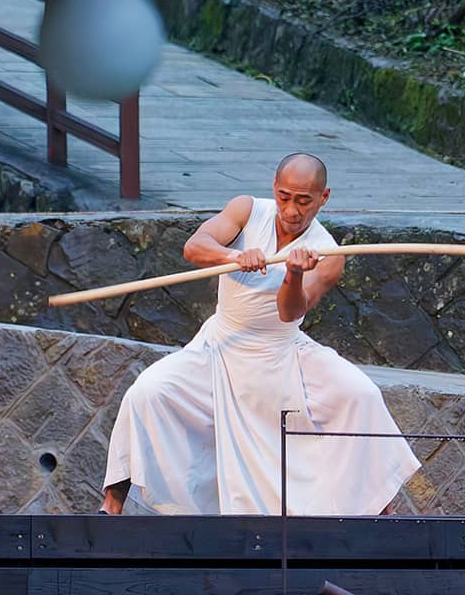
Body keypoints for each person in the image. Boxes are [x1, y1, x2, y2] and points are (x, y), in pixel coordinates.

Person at [100, 153, 420, 515]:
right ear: (274, 188)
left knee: (360, 395)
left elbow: (290, 312)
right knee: (148, 391)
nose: (292, 209)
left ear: (323, 198)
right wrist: (231, 257)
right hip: (221, 343)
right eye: (285, 197)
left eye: (304, 200)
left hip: (282, 350)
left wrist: (294, 274)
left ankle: (379, 511)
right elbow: (194, 247)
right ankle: (112, 504)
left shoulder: (330, 253)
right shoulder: (246, 210)